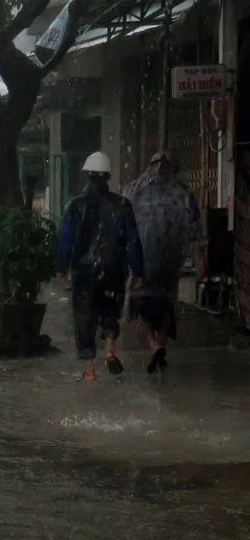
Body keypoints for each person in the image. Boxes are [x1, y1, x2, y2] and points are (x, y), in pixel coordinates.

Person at [55, 152, 145, 382]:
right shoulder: (122, 205)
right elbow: (132, 240)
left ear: (87, 175)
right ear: (107, 176)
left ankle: (89, 371)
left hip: (84, 272)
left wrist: (61, 267)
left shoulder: (75, 205)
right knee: (110, 311)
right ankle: (110, 348)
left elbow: (65, 239)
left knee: (84, 318)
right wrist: (138, 270)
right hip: (114, 270)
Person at [123, 152, 206, 374]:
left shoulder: (132, 189)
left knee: (138, 303)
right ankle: (160, 343)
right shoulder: (182, 191)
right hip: (170, 259)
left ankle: (153, 344)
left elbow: (123, 224)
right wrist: (200, 261)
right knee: (167, 302)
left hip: (142, 259)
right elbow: (195, 229)